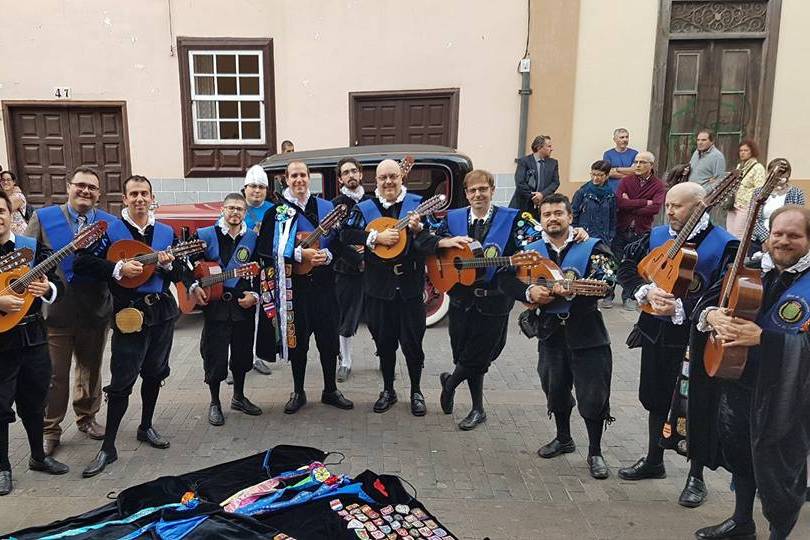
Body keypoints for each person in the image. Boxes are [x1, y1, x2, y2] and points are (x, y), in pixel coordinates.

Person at [689, 205, 810, 540]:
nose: (784, 241)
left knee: (781, 472)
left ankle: (778, 534)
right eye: (778, 234)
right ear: (767, 236)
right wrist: (712, 316)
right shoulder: (750, 266)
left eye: (794, 235)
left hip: (787, 394)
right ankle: (742, 521)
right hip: (739, 380)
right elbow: (705, 302)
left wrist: (764, 339)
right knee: (739, 453)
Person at [616, 182, 738, 508]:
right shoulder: (657, 236)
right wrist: (645, 291)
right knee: (655, 398)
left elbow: (724, 293)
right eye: (667, 205)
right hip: (657, 333)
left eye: (677, 206)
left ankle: (696, 476)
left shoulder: (725, 244)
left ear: (700, 206)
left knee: (695, 405)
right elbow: (627, 267)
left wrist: (685, 307)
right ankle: (654, 459)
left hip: (696, 337)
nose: (669, 211)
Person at [75, 175, 185, 478]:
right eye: (133, 194)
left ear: (151, 198)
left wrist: (169, 265)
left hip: (161, 313)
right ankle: (108, 447)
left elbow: (178, 273)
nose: (139, 199)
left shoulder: (164, 231)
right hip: (128, 314)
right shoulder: (108, 230)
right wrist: (117, 267)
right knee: (122, 380)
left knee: (155, 372)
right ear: (124, 199)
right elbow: (81, 262)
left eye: (144, 193)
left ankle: (146, 426)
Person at [342, 159, 467, 415]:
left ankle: (416, 391)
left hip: (410, 288)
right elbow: (345, 235)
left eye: (393, 176)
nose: (388, 181)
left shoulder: (418, 205)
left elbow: (432, 240)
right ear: (375, 181)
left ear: (402, 178)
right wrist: (373, 237)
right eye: (382, 177)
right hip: (378, 289)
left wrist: (420, 230)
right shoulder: (365, 208)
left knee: (413, 344)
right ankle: (388, 390)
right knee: (385, 344)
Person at [517, 193, 616, 479]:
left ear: (570, 217)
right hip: (550, 334)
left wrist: (573, 289)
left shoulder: (591, 246)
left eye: (559, 213)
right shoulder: (531, 250)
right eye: (547, 214)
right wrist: (528, 292)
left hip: (587, 332)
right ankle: (564, 438)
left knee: (593, 395)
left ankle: (595, 451)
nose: (553, 218)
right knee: (555, 388)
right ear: (541, 219)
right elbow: (508, 278)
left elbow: (608, 279)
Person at [25, 167, 116, 456]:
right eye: (80, 185)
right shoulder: (44, 217)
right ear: (68, 187)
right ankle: (50, 429)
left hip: (95, 310)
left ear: (99, 194)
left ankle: (87, 417)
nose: (85, 191)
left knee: (90, 370)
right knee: (54, 375)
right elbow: (26, 259)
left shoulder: (109, 223)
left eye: (92, 187)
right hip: (56, 313)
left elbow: (115, 265)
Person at [255, 161, 353, 414]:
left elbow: (339, 242)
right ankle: (298, 391)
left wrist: (329, 256)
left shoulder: (325, 207)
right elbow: (265, 251)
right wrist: (298, 255)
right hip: (294, 287)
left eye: (303, 175)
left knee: (328, 341)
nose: (299, 180)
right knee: (298, 344)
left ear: (310, 178)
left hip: (325, 287)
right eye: (293, 175)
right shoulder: (276, 212)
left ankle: (330, 389)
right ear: (286, 179)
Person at [434, 170, 526, 430]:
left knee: (480, 354)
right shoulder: (453, 218)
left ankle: (451, 385)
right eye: (473, 191)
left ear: (492, 190)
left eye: (483, 189)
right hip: (462, 299)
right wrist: (444, 241)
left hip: (494, 300)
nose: (478, 195)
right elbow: (431, 241)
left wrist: (578, 234)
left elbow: (534, 242)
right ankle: (477, 408)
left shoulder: (512, 218)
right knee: (464, 352)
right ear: (466, 194)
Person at [0, 190, 69, 496]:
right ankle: (2, 467)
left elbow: (58, 285)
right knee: (0, 407)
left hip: (33, 338)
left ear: (9, 214)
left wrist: (47, 287)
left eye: (0, 211)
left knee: (35, 401)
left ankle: (38, 457)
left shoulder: (30, 248)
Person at [188, 193, 262, 426]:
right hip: (215, 307)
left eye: (239, 209)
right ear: (222, 209)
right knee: (215, 356)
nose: (235, 213)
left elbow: (262, 270)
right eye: (231, 208)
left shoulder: (253, 238)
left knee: (241, 355)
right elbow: (186, 265)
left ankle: (238, 397)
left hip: (242, 305)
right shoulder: (204, 236)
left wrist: (255, 295)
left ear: (245, 213)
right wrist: (194, 286)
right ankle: (215, 402)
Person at [331, 157, 371, 382]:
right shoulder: (335, 204)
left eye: (354, 171)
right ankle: (345, 361)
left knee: (377, 316)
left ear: (361, 174)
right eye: (345, 173)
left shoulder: (373, 201)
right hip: (346, 268)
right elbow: (336, 239)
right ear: (340, 179)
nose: (350, 175)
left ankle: (383, 355)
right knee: (345, 316)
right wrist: (357, 258)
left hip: (374, 268)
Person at [615, 151, 666, 310]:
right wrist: (644, 202)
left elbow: (655, 208)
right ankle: (608, 294)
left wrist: (631, 203)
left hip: (641, 230)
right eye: (636, 162)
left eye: (642, 162)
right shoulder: (626, 181)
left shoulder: (658, 185)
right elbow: (620, 203)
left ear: (651, 165)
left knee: (634, 264)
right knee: (615, 261)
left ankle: (629, 296)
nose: (637, 165)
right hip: (622, 227)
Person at [242, 164, 275, 376]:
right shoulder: (236, 206)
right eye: (253, 186)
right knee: (239, 316)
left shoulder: (272, 209)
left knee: (261, 312)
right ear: (245, 188)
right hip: (241, 268)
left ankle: (256, 356)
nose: (257, 191)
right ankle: (235, 360)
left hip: (264, 267)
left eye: (261, 187)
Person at [572, 160, 617, 309]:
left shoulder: (610, 194)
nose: (596, 178)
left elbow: (613, 217)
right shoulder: (582, 192)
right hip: (585, 236)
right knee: (586, 267)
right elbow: (573, 214)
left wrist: (610, 235)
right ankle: (585, 297)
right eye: (594, 174)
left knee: (605, 267)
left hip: (603, 237)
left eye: (600, 175)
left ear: (607, 176)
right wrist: (576, 232)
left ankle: (607, 294)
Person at [752, 158, 806, 252]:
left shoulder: (797, 193)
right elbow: (753, 219)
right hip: (758, 240)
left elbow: (798, 221)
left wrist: (777, 239)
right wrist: (765, 239)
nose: (779, 178)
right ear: (769, 174)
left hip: (785, 241)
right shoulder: (758, 193)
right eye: (776, 175)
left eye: (783, 175)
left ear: (788, 175)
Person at [509, 135, 559, 215]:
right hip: (523, 206)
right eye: (549, 146)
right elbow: (520, 182)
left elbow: (555, 183)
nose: (552, 149)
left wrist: (542, 195)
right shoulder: (524, 161)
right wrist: (533, 197)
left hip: (542, 207)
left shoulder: (553, 163)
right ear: (539, 147)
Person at [726, 140, 766, 238]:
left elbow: (759, 188)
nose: (742, 153)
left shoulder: (758, 167)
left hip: (745, 205)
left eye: (746, 150)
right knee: (729, 233)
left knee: (739, 234)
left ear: (752, 151)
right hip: (733, 203)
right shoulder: (740, 166)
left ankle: (739, 253)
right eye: (741, 150)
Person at [603, 128, 639, 192]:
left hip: (630, 189)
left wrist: (617, 169)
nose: (625, 139)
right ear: (615, 139)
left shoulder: (635, 153)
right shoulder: (608, 154)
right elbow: (609, 173)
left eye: (627, 137)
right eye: (622, 137)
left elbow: (635, 171)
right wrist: (627, 174)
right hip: (613, 189)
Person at [0, 171, 28, 236]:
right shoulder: (3, 196)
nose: (5, 182)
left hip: (19, 234)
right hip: (7, 234)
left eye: (8, 180)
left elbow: (6, 208)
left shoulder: (18, 196)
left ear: (14, 182)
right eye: (3, 180)